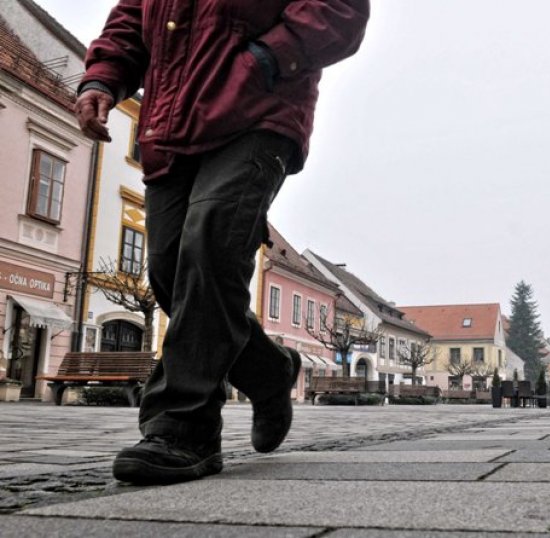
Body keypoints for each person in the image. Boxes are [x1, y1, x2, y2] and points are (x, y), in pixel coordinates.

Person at [75, 0, 369, 485]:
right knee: (171, 273)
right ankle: (268, 371)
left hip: (256, 114)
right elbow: (131, 19)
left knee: (211, 246)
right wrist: (102, 78)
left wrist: (265, 59)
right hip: (170, 126)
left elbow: (338, 9)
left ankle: (182, 426)